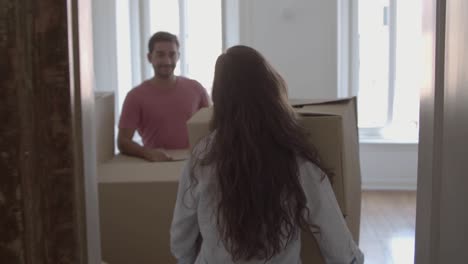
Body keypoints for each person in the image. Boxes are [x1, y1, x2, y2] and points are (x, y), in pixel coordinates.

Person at [170, 45, 364, 263]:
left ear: (219, 98)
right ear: (270, 91)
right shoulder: (294, 159)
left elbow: (181, 237)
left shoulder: (202, 158)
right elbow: (338, 244)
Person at [118, 31, 210, 162]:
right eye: (160, 55)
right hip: (156, 165)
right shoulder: (135, 96)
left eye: (172, 54)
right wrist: (148, 153)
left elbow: (212, 130)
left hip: (194, 164)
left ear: (178, 56)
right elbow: (123, 141)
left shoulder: (196, 89)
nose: (167, 61)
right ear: (150, 57)